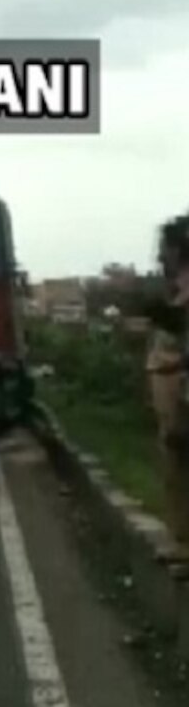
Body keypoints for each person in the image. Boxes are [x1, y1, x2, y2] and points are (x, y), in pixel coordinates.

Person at [148, 217, 189, 553]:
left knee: (179, 462)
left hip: (178, 382)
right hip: (168, 382)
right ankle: (180, 543)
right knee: (174, 465)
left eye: (165, 248)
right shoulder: (175, 284)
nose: (160, 256)